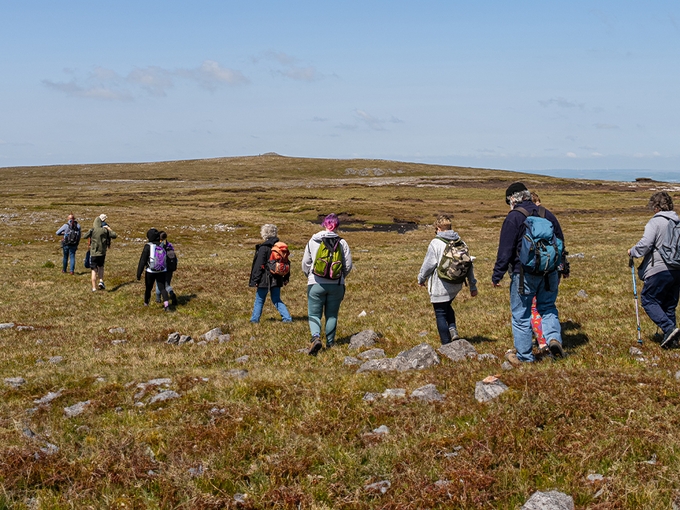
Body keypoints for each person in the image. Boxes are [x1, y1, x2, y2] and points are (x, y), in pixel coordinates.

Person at [492, 182, 567, 365]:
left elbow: (505, 250)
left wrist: (497, 274)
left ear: (512, 199)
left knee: (521, 314)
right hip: (549, 272)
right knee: (548, 307)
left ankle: (525, 357)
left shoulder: (514, 218)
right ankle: (553, 339)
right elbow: (560, 244)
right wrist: (564, 268)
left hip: (523, 274)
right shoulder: (547, 214)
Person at [628, 191, 680, 348]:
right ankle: (673, 339)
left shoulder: (655, 222)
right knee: (669, 305)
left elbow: (646, 244)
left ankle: (669, 328)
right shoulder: (678, 222)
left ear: (656, 206)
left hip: (659, 268)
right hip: (677, 269)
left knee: (649, 299)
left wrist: (633, 251)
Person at [417, 215, 478, 344]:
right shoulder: (461, 242)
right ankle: (453, 329)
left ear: (438, 228)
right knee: (446, 305)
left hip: (441, 285)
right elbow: (469, 265)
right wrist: (472, 286)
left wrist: (421, 278)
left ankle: (446, 344)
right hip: (455, 284)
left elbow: (428, 265)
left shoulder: (436, 243)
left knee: (440, 313)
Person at [301, 213, 353, 355]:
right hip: (336, 284)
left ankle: (316, 337)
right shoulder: (342, 242)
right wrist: (340, 277)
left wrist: (310, 276)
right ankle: (330, 343)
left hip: (315, 283)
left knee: (314, 314)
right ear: (336, 226)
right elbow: (348, 265)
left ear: (324, 224)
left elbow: (305, 263)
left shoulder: (313, 241)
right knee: (332, 315)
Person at [248, 224, 292, 323]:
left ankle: (254, 319)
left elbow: (259, 265)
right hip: (278, 278)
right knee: (276, 299)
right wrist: (286, 278)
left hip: (264, 279)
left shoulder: (264, 247)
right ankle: (287, 318)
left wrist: (255, 280)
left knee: (259, 299)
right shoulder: (280, 247)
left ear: (264, 233)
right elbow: (287, 263)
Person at [529, 191, 548, 353]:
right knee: (546, 305)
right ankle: (549, 335)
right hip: (550, 268)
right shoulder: (548, 218)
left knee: (533, 308)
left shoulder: (526, 220)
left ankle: (542, 340)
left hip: (532, 270)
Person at [137, 228, 171, 311]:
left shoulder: (148, 246)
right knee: (162, 288)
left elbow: (142, 261)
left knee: (148, 288)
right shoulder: (163, 245)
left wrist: (139, 274)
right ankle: (166, 305)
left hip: (150, 271)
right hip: (162, 270)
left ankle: (146, 303)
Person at [82, 214, 116, 292]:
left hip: (93, 252)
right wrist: (109, 229)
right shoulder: (104, 230)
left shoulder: (92, 230)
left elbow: (84, 236)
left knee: (94, 270)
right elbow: (114, 235)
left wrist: (90, 231)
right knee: (101, 267)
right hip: (102, 253)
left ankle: (94, 288)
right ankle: (101, 281)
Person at [155, 231, 178, 306]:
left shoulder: (158, 246)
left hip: (161, 268)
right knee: (167, 284)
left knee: (159, 284)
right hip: (170, 269)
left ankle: (158, 299)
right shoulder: (169, 245)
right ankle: (171, 293)